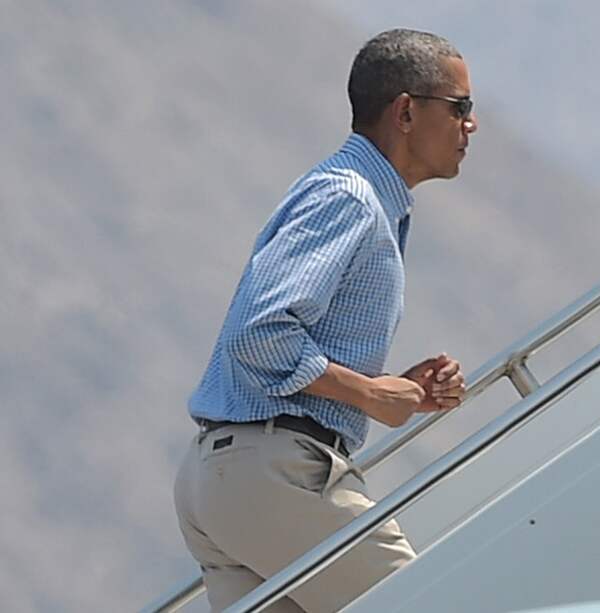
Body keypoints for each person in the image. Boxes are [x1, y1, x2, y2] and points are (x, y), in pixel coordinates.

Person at [173, 28, 478, 612]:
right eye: (460, 107)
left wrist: (400, 389)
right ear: (407, 112)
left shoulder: (364, 198)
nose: (471, 125)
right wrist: (367, 393)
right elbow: (258, 331)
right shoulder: (352, 198)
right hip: (273, 474)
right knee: (432, 600)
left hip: (231, 476)